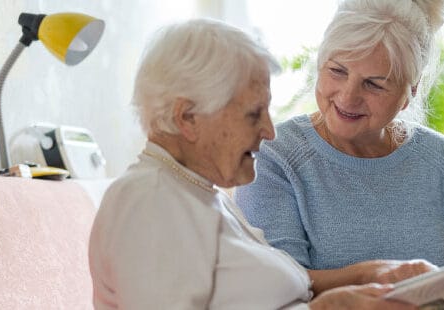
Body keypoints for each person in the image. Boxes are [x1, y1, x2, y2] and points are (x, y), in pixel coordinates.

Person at [88, 18, 416, 309]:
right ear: (187, 117)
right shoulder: (150, 201)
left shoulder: (194, 192)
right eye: (253, 114)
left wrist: (366, 275)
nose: (270, 132)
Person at [235, 0, 444, 296]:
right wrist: (368, 275)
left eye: (373, 84)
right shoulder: (275, 155)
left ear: (410, 91)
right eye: (337, 71)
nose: (348, 97)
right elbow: (274, 286)